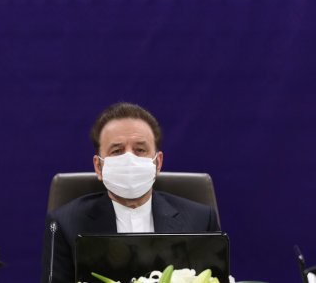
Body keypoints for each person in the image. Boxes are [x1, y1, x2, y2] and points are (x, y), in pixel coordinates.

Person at [40, 102, 220, 283]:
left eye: (140, 150)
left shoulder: (201, 220)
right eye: (117, 151)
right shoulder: (64, 224)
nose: (129, 159)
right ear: (98, 167)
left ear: (158, 163)